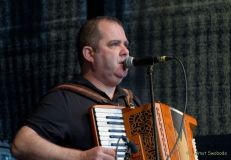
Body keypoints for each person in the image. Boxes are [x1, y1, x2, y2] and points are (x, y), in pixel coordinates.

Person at [11, 16, 141, 160]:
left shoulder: (131, 101)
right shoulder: (64, 99)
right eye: (114, 44)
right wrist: (81, 157)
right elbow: (21, 144)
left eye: (126, 44)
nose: (125, 51)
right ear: (89, 54)